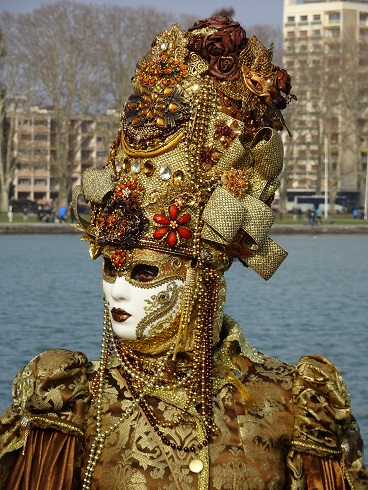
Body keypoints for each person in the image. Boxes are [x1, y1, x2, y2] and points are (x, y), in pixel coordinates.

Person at [0, 15, 367, 490]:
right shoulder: (69, 403)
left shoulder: (291, 402)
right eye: (111, 267)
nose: (118, 289)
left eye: (145, 271)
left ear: (204, 274)